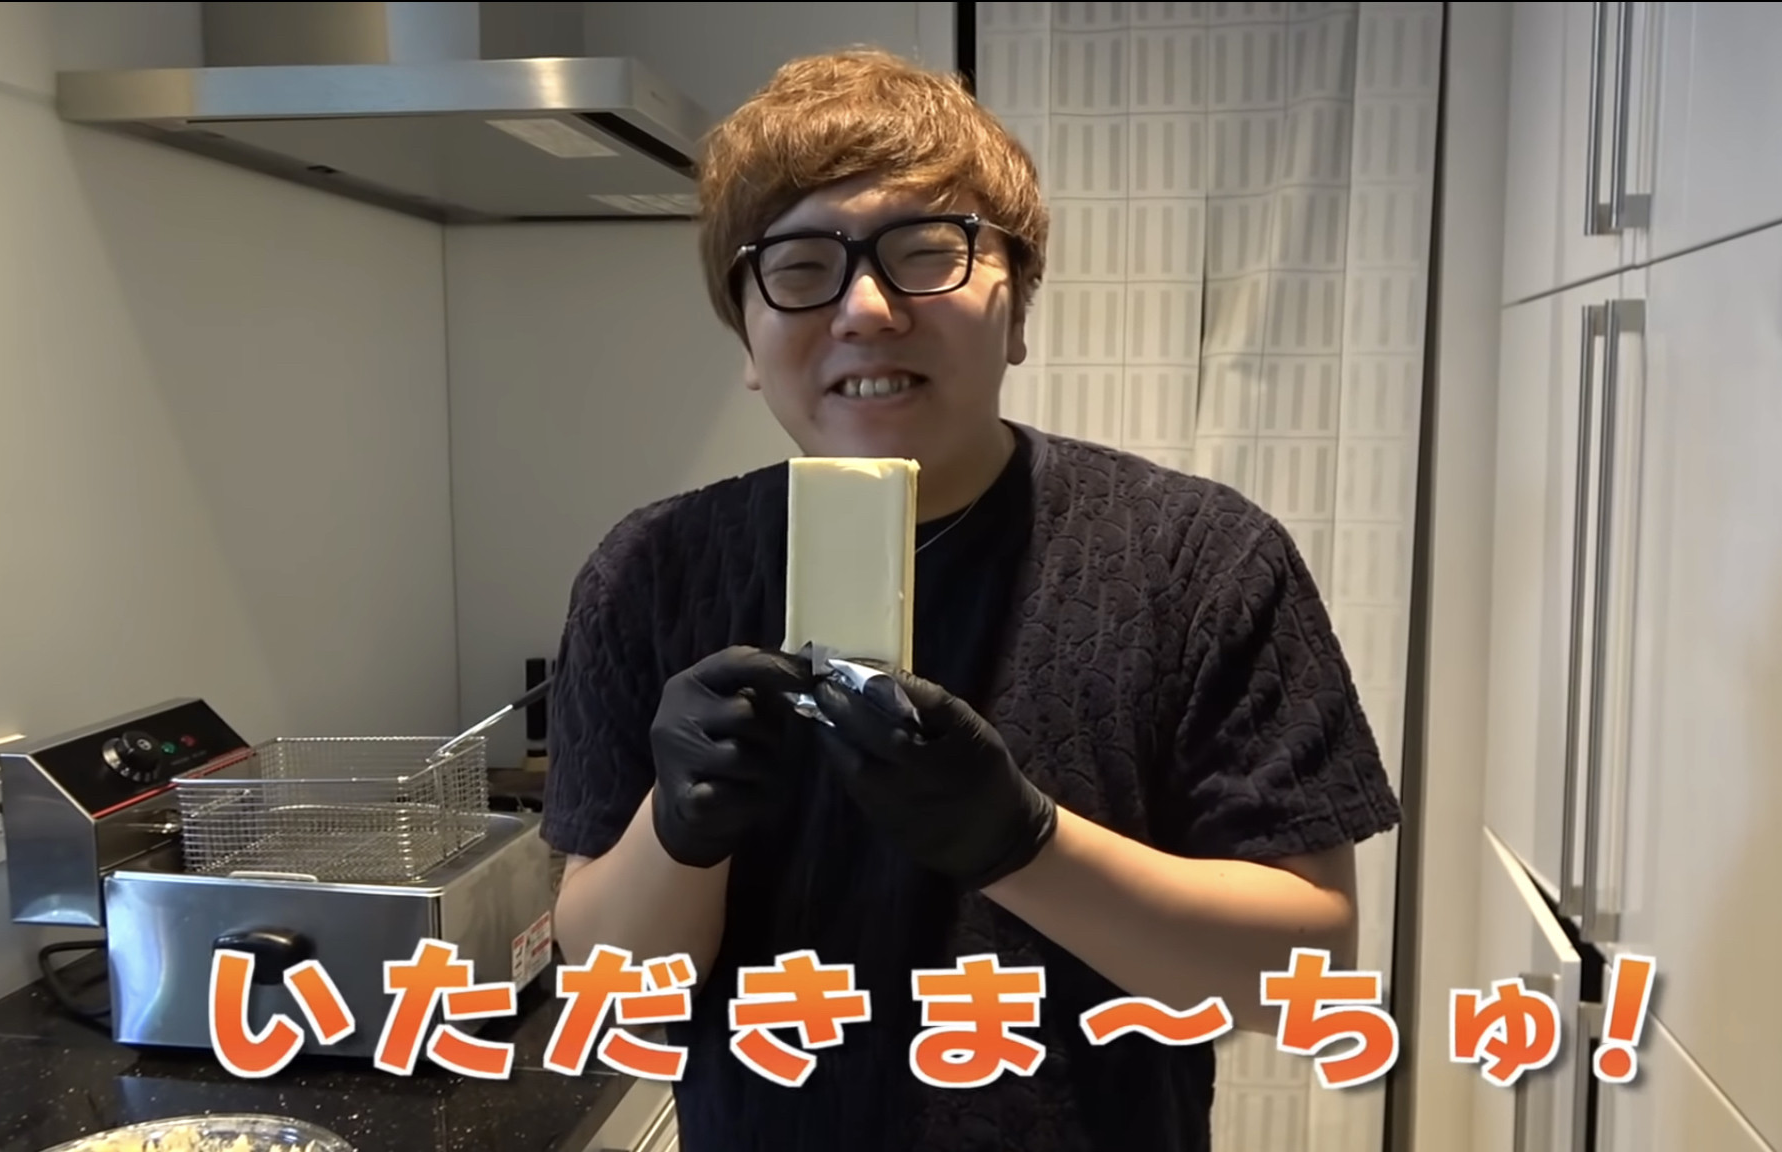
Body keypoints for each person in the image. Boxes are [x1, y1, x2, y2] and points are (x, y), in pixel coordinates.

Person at [542, 47, 1403, 1152]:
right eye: (800, 267)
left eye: (924, 254)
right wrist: (677, 833)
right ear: (746, 338)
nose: (866, 309)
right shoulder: (650, 572)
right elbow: (617, 991)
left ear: (1019, 309)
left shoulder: (1201, 559)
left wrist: (1023, 843)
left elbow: (1302, 976)